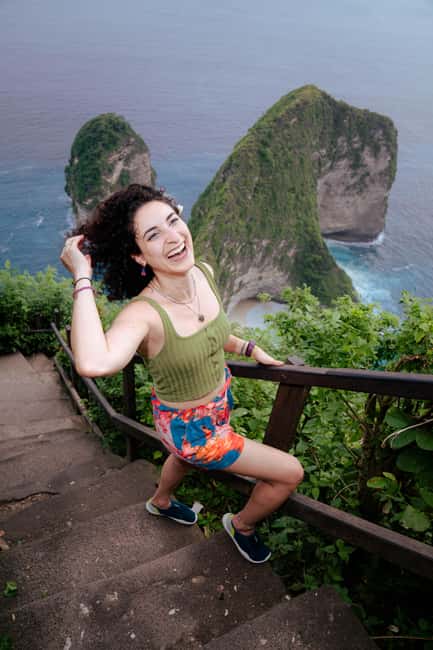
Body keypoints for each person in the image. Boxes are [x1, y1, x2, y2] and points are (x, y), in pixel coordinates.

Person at [60, 184, 303, 564]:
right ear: (138, 255)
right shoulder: (142, 315)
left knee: (182, 457)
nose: (174, 237)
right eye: (154, 234)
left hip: (213, 403)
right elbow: (94, 363)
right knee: (290, 473)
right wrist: (82, 275)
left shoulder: (203, 272)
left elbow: (210, 332)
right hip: (193, 431)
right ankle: (241, 526)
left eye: (173, 221)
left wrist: (250, 348)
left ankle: (161, 500)